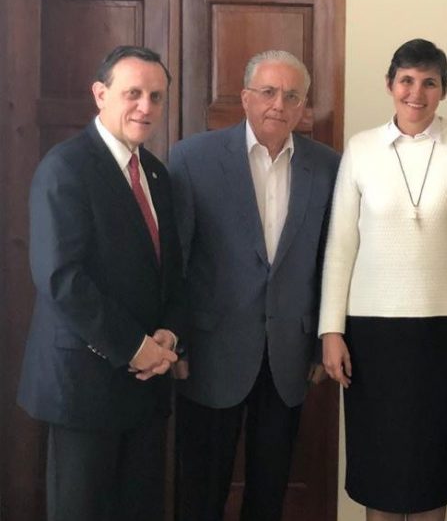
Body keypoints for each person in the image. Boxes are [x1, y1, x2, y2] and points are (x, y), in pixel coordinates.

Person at [318, 39, 447, 521]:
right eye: (407, 81)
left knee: (433, 468)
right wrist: (331, 330)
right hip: (371, 334)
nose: (416, 93)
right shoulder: (361, 148)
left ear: (443, 90)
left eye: (429, 83)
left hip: (446, 332)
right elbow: (340, 245)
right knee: (380, 469)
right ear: (390, 84)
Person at [168, 50, 341, 521]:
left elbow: (331, 260)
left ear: (303, 106)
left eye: (292, 96)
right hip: (209, 352)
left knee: (269, 494)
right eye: (268, 92)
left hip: (287, 356)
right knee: (200, 494)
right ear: (245, 98)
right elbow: (174, 261)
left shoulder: (328, 167)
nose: (278, 104)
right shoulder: (192, 158)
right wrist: (177, 342)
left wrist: (320, 343)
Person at [17, 45, 184, 521]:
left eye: (156, 96)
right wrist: (135, 347)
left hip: (147, 387)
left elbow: (169, 269)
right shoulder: (65, 167)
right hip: (84, 387)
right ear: (100, 94)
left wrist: (170, 333)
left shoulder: (156, 173)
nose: (146, 107)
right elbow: (61, 278)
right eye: (133, 93)